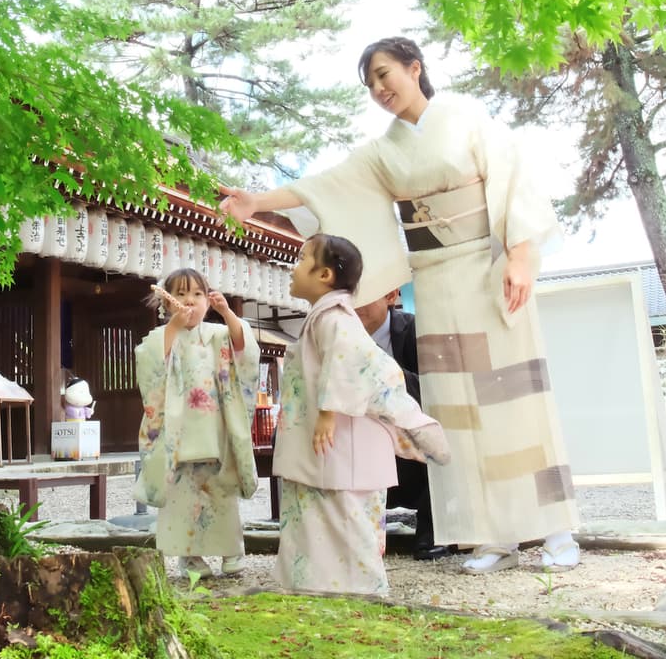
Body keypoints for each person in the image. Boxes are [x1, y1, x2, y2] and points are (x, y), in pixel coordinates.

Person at [222, 36, 581, 574]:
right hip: (436, 280)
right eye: (370, 83)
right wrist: (257, 201)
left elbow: (516, 184)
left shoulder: (464, 117)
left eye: (385, 74)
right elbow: (325, 183)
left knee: (514, 398)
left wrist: (520, 257)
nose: (379, 88)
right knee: (455, 406)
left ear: (416, 68)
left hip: (487, 266)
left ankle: (556, 529)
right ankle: (488, 536)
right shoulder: (384, 150)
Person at [273, 234, 449, 595]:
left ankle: (363, 591)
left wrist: (328, 411)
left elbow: (350, 361)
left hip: (340, 442)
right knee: (320, 521)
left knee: (347, 523)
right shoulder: (326, 317)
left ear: (324, 275)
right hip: (332, 444)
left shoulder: (336, 319)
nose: (293, 266)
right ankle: (311, 586)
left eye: (302, 258)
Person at [134, 267, 260, 579]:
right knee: (183, 496)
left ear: (208, 300)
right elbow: (150, 364)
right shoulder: (162, 338)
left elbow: (246, 349)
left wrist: (227, 312)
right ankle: (190, 557)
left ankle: (232, 550)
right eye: (180, 294)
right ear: (167, 302)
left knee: (221, 491)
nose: (190, 300)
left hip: (216, 427)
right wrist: (173, 327)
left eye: (198, 294)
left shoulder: (218, 335)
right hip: (180, 430)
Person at [354, 288, 451, 560]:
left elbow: (437, 388)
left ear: (390, 295)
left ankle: (433, 530)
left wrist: (385, 373)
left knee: (441, 435)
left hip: (409, 433)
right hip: (359, 435)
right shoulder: (339, 335)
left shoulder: (416, 330)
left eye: (365, 295)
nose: (356, 305)